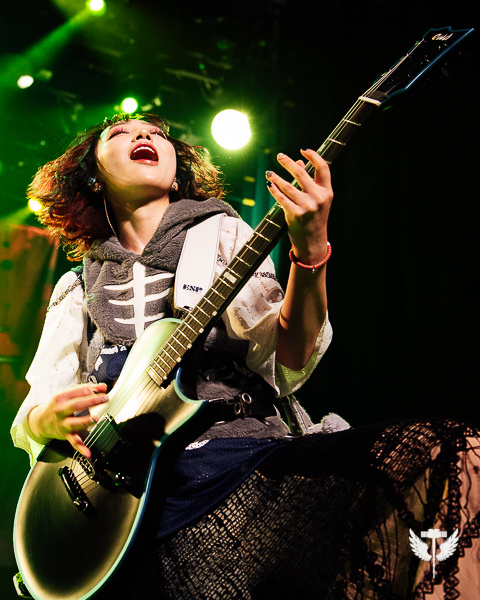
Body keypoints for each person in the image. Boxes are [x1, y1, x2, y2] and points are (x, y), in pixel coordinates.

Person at [11, 112, 480, 599]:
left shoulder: (222, 238)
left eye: (157, 133)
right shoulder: (78, 286)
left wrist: (311, 250)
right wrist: (46, 419)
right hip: (129, 504)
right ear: (92, 175)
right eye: (121, 132)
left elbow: (291, 359)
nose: (145, 134)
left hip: (252, 471)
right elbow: (36, 410)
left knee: (449, 453)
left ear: (177, 174)